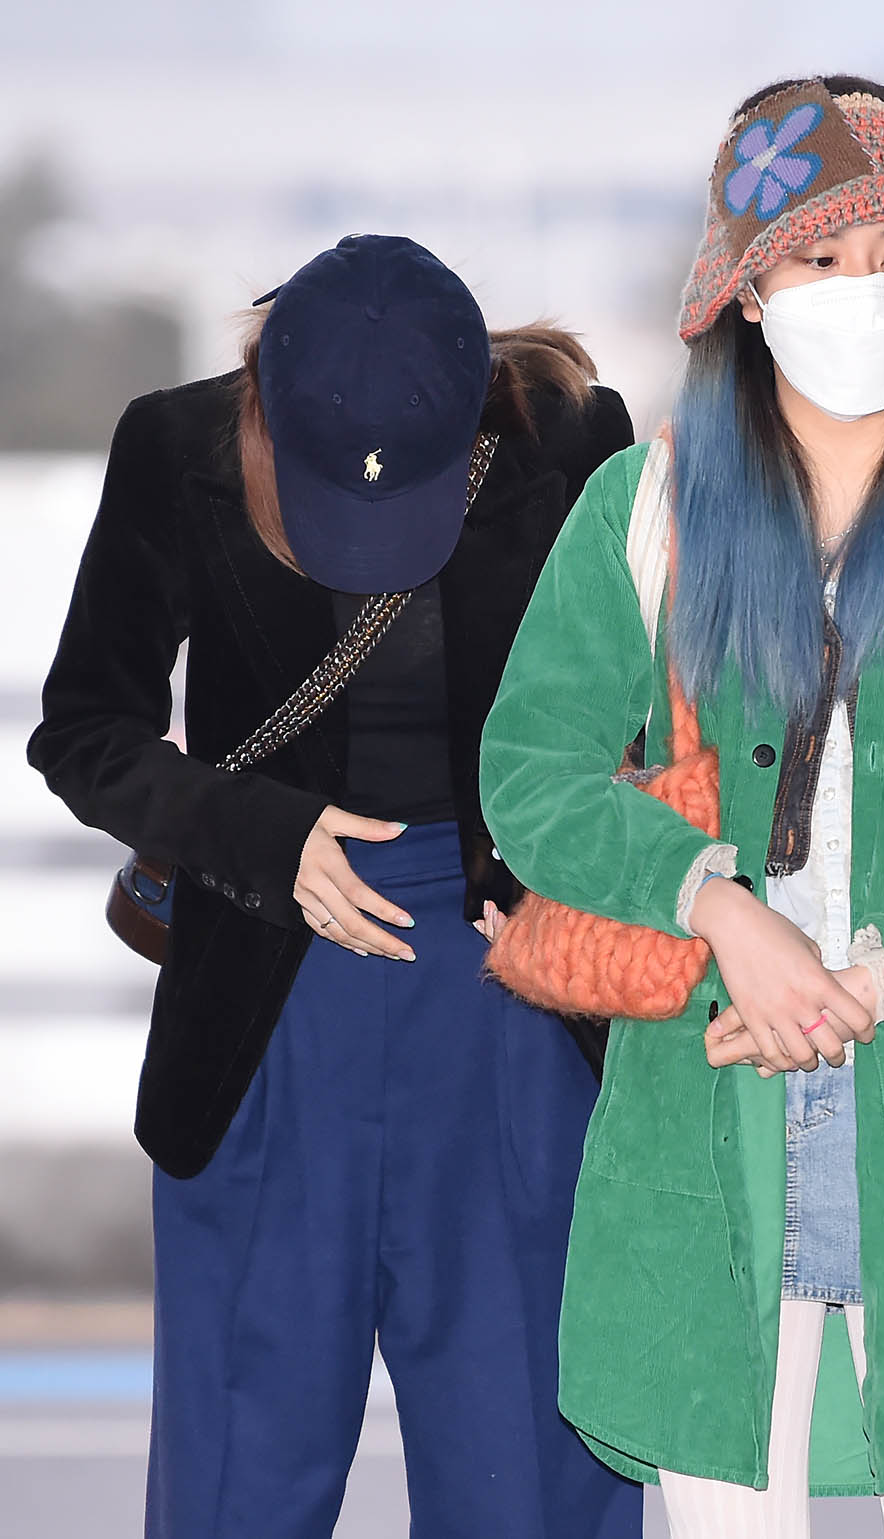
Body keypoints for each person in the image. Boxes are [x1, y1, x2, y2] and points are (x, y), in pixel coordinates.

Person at [479, 77, 884, 1539]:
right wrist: (719, 907)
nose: (865, 291)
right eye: (820, 257)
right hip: (708, 1102)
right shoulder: (644, 511)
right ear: (747, 288)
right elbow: (530, 770)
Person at [28, 234, 641, 1539]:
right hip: (265, 996)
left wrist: (576, 862)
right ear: (264, 401)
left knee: (526, 1479)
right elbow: (83, 728)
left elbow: (640, 715)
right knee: (238, 1484)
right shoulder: (177, 448)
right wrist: (263, 833)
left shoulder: (574, 442)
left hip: (513, 994)